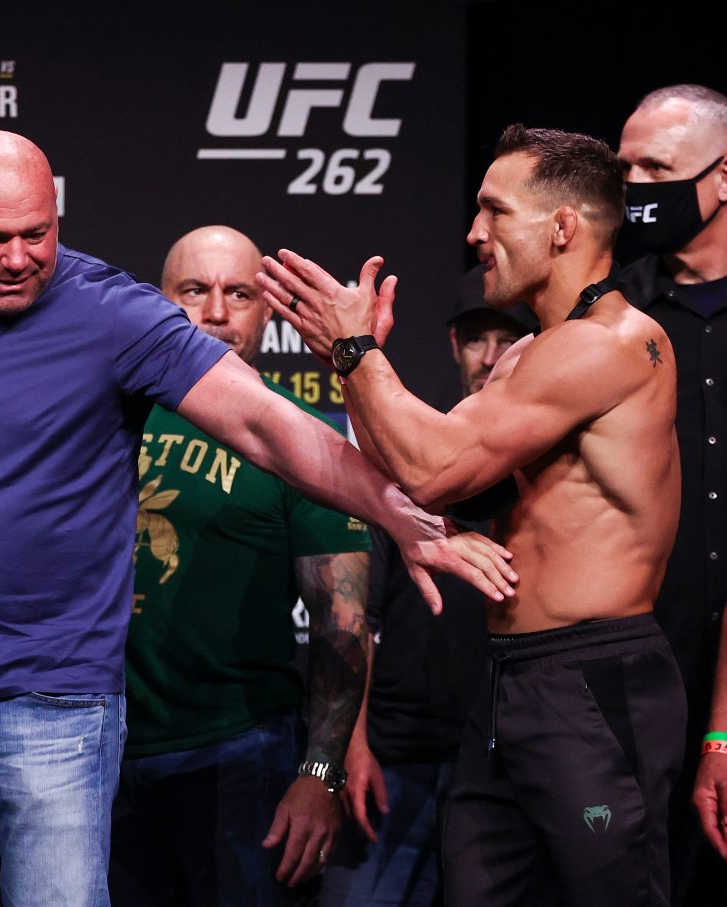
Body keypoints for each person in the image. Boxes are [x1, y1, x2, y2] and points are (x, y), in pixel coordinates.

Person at [0, 130, 516, 907]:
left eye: (37, 234)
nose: (18, 258)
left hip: (57, 707)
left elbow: (267, 425)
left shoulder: (112, 312)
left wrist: (402, 512)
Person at [261, 123, 685, 905]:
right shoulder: (529, 356)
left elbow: (435, 462)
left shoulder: (614, 343)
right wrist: (355, 369)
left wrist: (360, 356)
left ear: (563, 227)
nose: (473, 232)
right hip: (507, 685)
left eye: (495, 210)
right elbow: (436, 484)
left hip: (589, 682)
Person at [108, 225, 372, 905]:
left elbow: (342, 619)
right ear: (159, 301)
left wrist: (320, 771)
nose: (217, 311)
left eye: (240, 293)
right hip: (94, 752)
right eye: (194, 290)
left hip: (240, 755)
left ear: (265, 311)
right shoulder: (99, 423)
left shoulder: (302, 438)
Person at [320, 269, 537, 907]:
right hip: (395, 758)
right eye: (476, 339)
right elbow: (357, 614)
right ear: (453, 345)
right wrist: (351, 748)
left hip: (503, 764)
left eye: (508, 338)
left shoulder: (557, 468)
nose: (491, 355)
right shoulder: (414, 458)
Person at [615, 83, 727, 904]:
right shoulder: (609, 317)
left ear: (724, 177)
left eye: (657, 167)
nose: (636, 189)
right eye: (625, 169)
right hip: (633, 672)